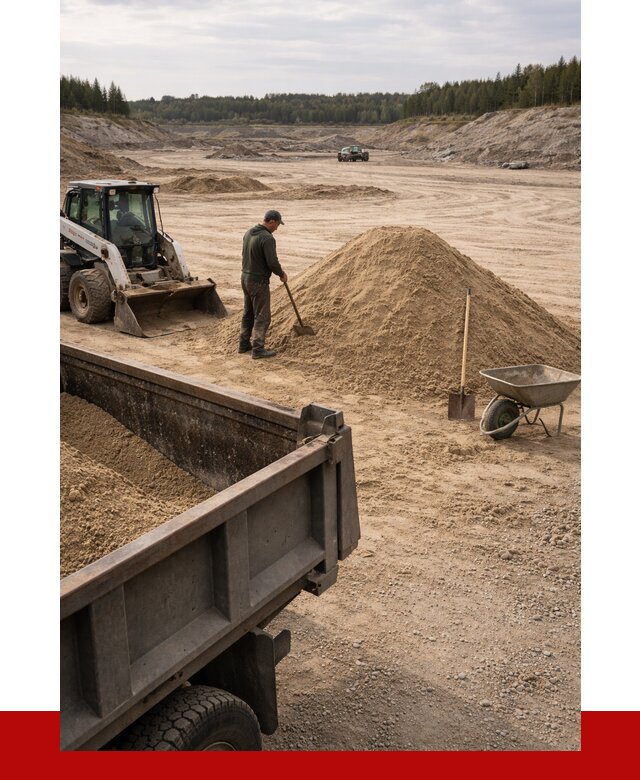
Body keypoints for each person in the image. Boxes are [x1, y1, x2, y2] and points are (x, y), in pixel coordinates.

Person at [239, 209, 288, 359]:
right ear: (271, 221)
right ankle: (258, 349)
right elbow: (272, 262)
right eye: (277, 224)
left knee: (248, 313)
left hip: (245, 278)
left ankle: (243, 344)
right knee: (262, 316)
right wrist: (281, 274)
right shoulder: (267, 238)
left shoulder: (249, 232)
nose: (277, 228)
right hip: (258, 281)